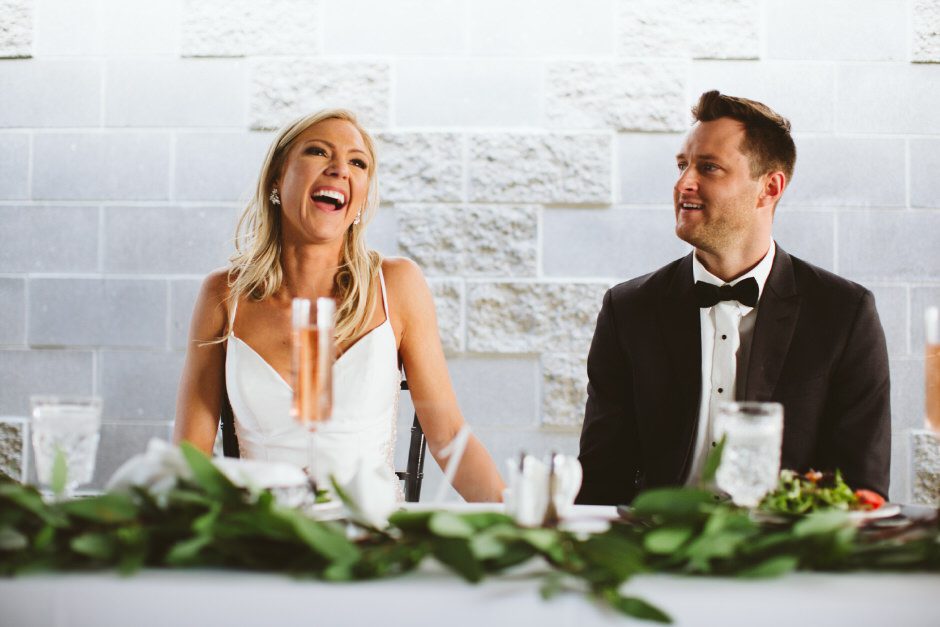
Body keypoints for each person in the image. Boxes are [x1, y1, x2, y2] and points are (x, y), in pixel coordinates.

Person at [576, 91, 891, 505]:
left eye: (708, 167)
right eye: (682, 165)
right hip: (655, 539)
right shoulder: (628, 309)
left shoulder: (844, 313)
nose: (683, 184)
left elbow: (860, 490)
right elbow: (600, 480)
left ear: (769, 188)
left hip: (784, 542)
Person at [174, 109, 504, 502]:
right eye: (318, 151)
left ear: (362, 195)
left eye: (358, 162)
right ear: (278, 175)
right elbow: (189, 458)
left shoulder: (397, 285)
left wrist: (523, 522)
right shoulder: (223, 295)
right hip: (262, 532)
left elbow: (449, 437)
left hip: (373, 532)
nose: (340, 170)